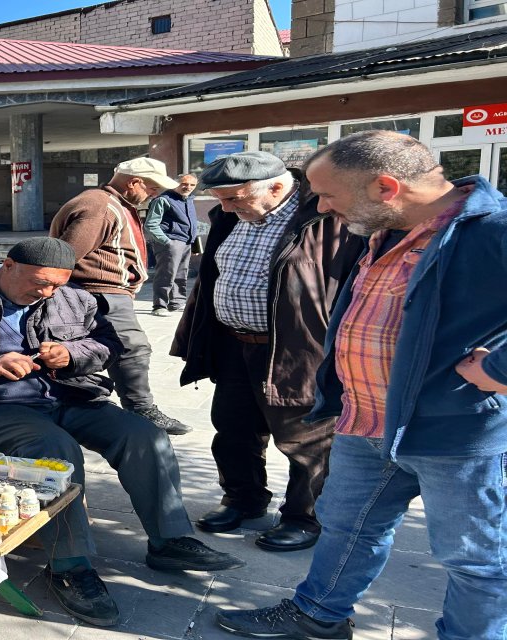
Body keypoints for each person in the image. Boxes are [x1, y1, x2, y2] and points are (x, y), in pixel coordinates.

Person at [216, 131, 507, 640]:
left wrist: (499, 370)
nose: (320, 207)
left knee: (475, 559)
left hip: (458, 434)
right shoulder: (387, 227)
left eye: (328, 195)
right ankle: (318, 617)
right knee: (347, 527)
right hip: (366, 420)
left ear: (385, 187)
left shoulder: (493, 230)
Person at [0, 237, 243, 629]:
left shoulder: (75, 299)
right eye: (39, 283)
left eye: (56, 285)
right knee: (53, 452)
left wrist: (72, 355)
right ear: (7, 266)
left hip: (70, 397)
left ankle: (169, 540)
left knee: (145, 436)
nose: (46, 292)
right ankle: (69, 565)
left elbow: (107, 345)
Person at [171, 152, 362, 553]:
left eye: (234, 199)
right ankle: (243, 499)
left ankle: (304, 517)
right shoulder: (231, 217)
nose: (225, 208)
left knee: (305, 438)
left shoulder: (328, 218)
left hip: (298, 349)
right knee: (233, 428)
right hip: (235, 345)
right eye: (221, 200)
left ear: (276, 187)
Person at [49, 157, 191, 435]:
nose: (154, 196)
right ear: (134, 182)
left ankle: (85, 405)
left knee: (98, 349)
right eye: (151, 190)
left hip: (103, 292)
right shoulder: (100, 206)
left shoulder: (110, 203)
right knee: (131, 348)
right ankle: (141, 409)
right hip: (98, 292)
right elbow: (63, 256)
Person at [144, 173, 198, 317]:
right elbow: (150, 224)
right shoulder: (163, 200)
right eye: (184, 184)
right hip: (170, 241)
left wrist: (195, 244)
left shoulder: (189, 200)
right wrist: (167, 242)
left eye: (192, 185)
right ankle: (159, 305)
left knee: (181, 274)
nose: (188, 187)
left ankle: (177, 303)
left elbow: (192, 223)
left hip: (185, 242)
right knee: (166, 274)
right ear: (175, 184)